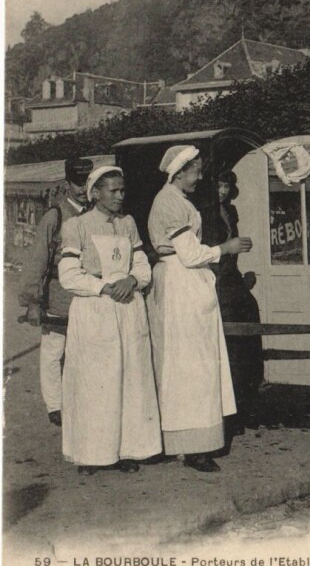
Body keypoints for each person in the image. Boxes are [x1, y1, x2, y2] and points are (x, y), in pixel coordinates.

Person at [147, 146, 252, 473]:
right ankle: (190, 446)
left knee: (197, 364)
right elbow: (190, 255)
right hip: (181, 284)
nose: (200, 177)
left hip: (189, 285)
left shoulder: (179, 201)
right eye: (195, 171)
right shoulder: (170, 203)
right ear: (179, 173)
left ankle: (197, 441)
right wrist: (226, 248)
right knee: (189, 367)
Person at [58, 166, 162, 474]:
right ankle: (91, 453)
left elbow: (142, 264)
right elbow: (68, 275)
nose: (120, 195)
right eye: (113, 190)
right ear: (96, 193)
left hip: (128, 309)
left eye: (122, 190)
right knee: (97, 383)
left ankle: (126, 450)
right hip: (96, 311)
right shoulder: (77, 226)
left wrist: (131, 280)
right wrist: (103, 287)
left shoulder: (128, 223)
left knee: (130, 380)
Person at [18, 156, 93, 426]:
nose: (84, 189)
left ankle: (79, 399)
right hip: (59, 296)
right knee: (54, 351)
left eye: (88, 182)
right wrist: (32, 301)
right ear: (67, 183)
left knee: (83, 352)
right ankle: (55, 405)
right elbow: (37, 260)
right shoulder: (56, 215)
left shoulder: (96, 214)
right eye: (78, 183)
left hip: (88, 297)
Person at [211, 169, 263, 435]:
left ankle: (245, 403)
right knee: (228, 346)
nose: (222, 191)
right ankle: (228, 414)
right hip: (215, 280)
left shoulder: (230, 211)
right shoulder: (204, 212)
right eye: (219, 185)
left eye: (226, 186)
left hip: (231, 278)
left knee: (248, 332)